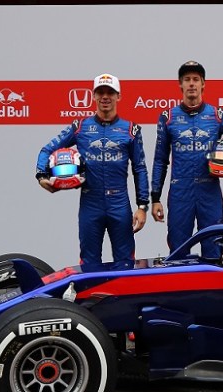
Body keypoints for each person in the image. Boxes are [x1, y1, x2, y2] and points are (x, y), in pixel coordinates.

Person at [36, 73, 149, 265]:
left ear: (118, 96)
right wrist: (41, 175)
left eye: (110, 92)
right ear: (94, 96)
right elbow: (47, 150)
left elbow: (140, 169)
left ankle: (122, 296)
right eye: (101, 92)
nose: (105, 97)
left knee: (125, 262)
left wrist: (142, 207)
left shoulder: (131, 130)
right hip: (91, 202)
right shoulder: (80, 127)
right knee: (89, 262)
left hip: (119, 202)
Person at [150, 60, 223, 259]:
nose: (191, 83)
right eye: (187, 79)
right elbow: (160, 160)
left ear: (203, 84)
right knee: (177, 252)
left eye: (196, 79)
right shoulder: (167, 117)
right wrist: (155, 198)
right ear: (180, 85)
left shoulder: (217, 115)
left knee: (214, 249)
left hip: (209, 191)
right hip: (180, 191)